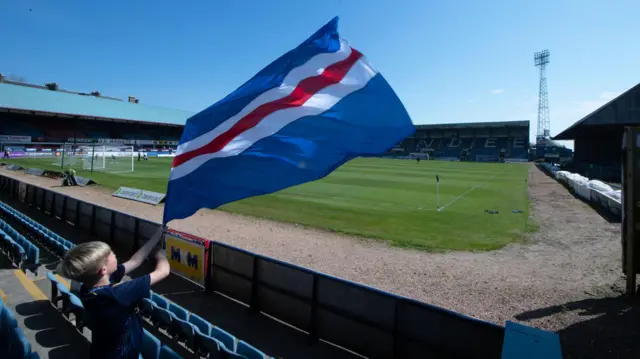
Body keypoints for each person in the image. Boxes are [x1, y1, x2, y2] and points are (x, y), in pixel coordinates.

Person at [57, 227, 170, 359]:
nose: (114, 254)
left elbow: (135, 261)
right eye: (110, 254)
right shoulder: (119, 293)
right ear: (103, 269)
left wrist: (156, 237)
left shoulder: (88, 288)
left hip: (102, 351)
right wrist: (162, 256)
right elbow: (163, 272)